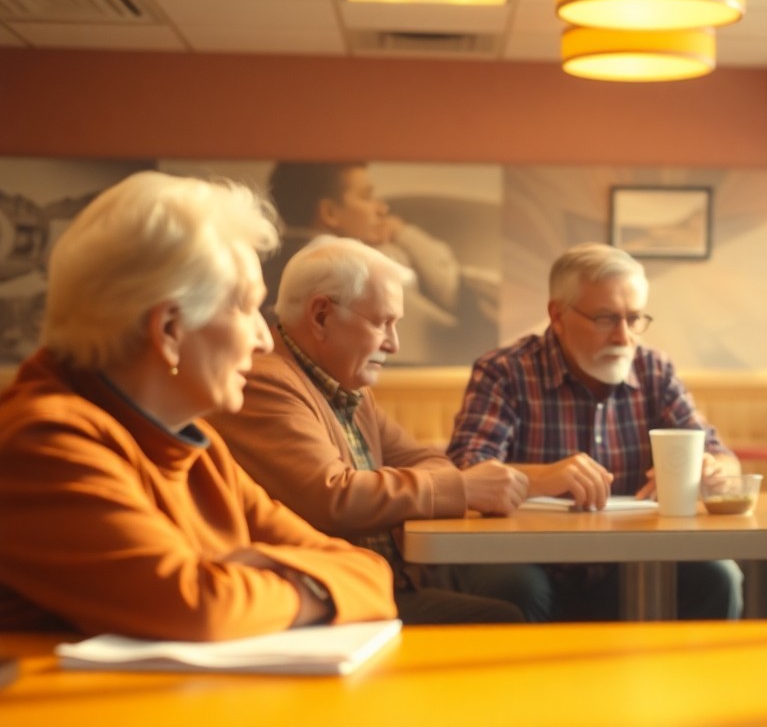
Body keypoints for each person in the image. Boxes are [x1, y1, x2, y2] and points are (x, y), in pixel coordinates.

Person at [0, 171, 396, 640]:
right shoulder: (41, 444)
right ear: (169, 329)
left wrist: (242, 579)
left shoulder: (198, 449)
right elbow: (197, 606)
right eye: (246, 307)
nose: (264, 340)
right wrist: (305, 583)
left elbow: (370, 574)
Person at [209, 237, 528, 624]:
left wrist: (394, 493)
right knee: (504, 616)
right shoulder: (266, 381)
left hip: (379, 581)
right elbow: (333, 497)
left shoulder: (348, 384)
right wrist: (463, 488)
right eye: (382, 323)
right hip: (333, 598)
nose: (393, 343)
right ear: (322, 316)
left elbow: (428, 460)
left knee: (511, 593)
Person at [447, 242, 743, 621]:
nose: (624, 337)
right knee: (513, 590)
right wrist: (541, 478)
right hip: (528, 556)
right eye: (605, 319)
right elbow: (465, 472)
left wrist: (711, 472)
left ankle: (698, 683)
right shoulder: (504, 372)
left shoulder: (654, 370)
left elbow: (722, 457)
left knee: (717, 577)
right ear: (557, 316)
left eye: (634, 318)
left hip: (632, 559)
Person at [265, 161, 495, 364]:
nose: (382, 208)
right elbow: (461, 293)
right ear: (329, 213)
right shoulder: (351, 267)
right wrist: (404, 234)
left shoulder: (271, 259)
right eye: (366, 197)